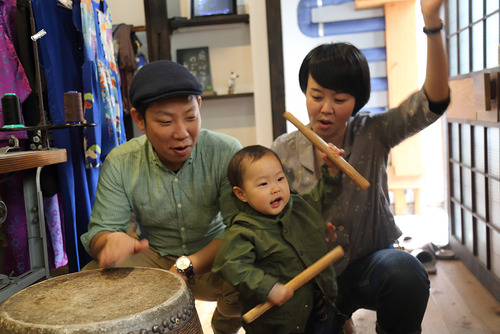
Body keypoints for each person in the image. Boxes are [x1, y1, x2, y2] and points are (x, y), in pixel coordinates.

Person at [270, 0, 450, 333]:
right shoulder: (283, 150)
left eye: (339, 100)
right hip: (316, 276)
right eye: (316, 95)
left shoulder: (373, 132)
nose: (325, 109)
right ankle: (339, 320)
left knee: (405, 272)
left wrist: (431, 23)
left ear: (357, 100)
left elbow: (434, 101)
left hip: (373, 263)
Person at [80, 60, 243, 334]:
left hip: (213, 258)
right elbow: (101, 230)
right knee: (92, 278)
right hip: (154, 258)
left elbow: (240, 230)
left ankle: (224, 328)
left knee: (250, 270)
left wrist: (188, 265)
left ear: (200, 106)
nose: (182, 133)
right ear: (139, 119)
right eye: (166, 121)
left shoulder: (226, 152)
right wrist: (108, 242)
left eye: (191, 117)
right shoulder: (122, 162)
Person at [212, 144, 344, 334]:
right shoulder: (244, 231)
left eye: (280, 179)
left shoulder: (300, 206)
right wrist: (268, 287)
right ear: (241, 194)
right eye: (263, 184)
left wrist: (332, 170)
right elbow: (232, 265)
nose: (275, 188)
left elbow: (323, 195)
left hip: (322, 305)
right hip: (280, 324)